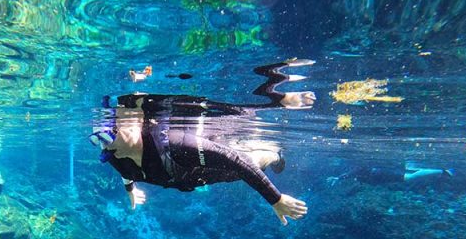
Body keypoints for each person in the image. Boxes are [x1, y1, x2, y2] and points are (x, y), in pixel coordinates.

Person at [90, 59, 316, 226]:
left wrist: (275, 199)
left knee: (253, 160)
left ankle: (275, 154)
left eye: (115, 118)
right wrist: (130, 190)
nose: (118, 125)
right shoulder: (117, 159)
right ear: (112, 150)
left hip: (211, 163)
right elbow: (126, 173)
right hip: (196, 177)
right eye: (110, 133)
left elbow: (238, 161)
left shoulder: (175, 144)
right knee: (242, 163)